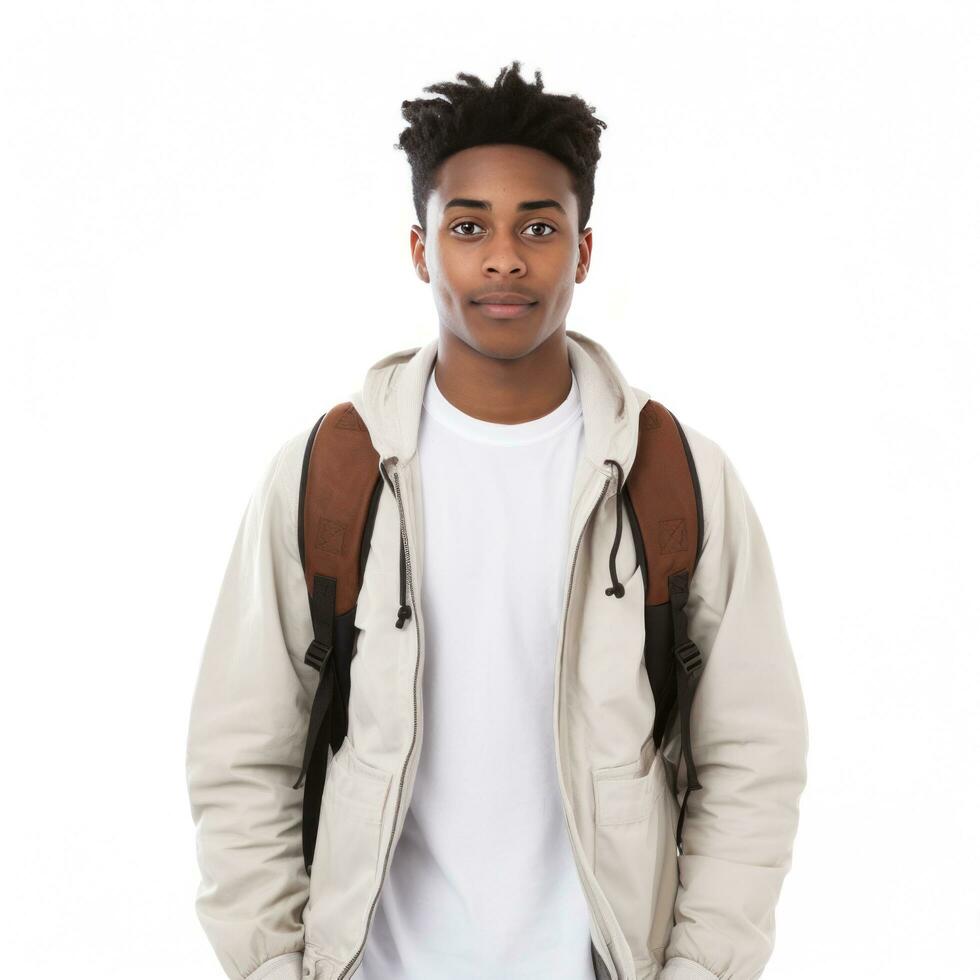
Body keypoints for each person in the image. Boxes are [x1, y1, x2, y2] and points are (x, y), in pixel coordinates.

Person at [185, 61, 809, 980]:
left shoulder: (679, 476)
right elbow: (241, 755)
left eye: (539, 227)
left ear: (583, 252)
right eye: (468, 226)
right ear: (420, 248)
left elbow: (753, 758)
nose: (505, 257)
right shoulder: (328, 471)